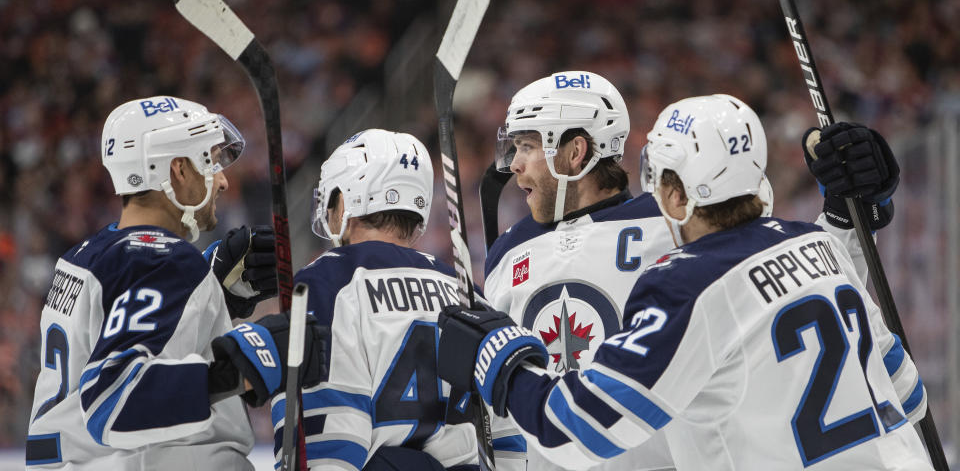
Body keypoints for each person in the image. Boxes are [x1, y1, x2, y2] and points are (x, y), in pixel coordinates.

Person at [438, 94, 933, 470]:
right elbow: (909, 397)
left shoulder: (685, 285)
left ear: (674, 195)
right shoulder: (816, 245)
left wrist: (502, 362)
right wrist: (851, 217)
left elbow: (583, 424)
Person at [26, 96, 326, 469]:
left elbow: (125, 333)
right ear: (179, 170)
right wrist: (243, 367)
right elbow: (115, 401)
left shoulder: (87, 254)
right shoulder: (164, 261)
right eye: (210, 161)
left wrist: (216, 292)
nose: (222, 180)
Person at [270, 128, 524, 471]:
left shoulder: (325, 283)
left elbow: (328, 440)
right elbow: (508, 437)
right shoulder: (468, 293)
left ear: (345, 201)